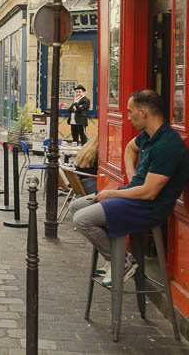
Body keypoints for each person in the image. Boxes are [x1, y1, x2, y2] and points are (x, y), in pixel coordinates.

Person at [71, 90, 189, 286]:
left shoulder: (168, 145)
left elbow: (149, 193)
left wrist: (110, 193)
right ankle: (116, 257)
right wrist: (132, 174)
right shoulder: (149, 135)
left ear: (143, 112)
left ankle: (122, 261)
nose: (127, 116)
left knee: (82, 219)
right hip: (134, 197)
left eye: (130, 111)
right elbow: (130, 148)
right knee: (77, 206)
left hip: (149, 207)